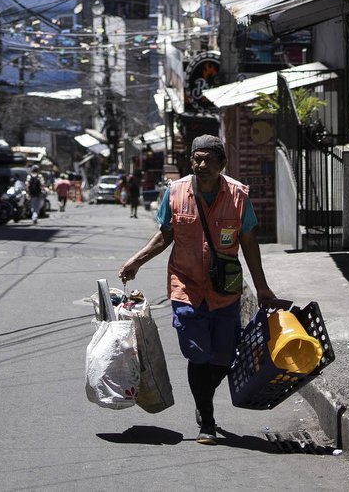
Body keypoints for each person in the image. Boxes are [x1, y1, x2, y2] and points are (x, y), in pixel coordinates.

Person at [118, 133, 281, 444]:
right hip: (185, 286)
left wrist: (262, 287)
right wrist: (135, 261)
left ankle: (202, 398)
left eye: (208, 159)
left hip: (225, 290)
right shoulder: (176, 192)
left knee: (223, 357)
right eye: (197, 158)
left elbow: (248, 242)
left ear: (222, 163)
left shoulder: (237, 196)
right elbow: (165, 236)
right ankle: (206, 417)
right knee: (198, 354)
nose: (201, 164)